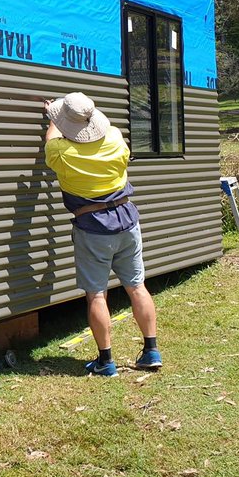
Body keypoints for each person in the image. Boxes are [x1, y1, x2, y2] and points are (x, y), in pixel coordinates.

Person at [42, 92, 162, 376]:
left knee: (96, 295)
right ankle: (151, 350)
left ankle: (106, 362)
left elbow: (51, 138)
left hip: (92, 226)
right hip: (127, 219)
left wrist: (52, 117)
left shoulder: (61, 152)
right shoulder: (117, 139)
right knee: (136, 286)